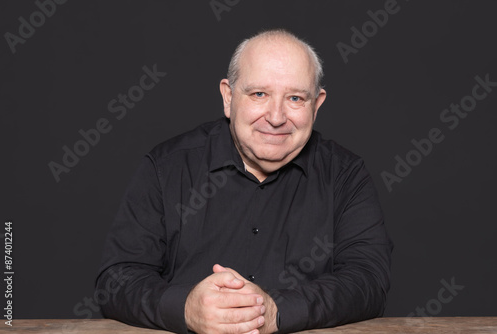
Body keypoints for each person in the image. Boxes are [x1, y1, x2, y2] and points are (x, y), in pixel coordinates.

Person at [95, 29, 393, 334]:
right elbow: (117, 280)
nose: (276, 117)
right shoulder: (166, 167)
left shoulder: (346, 174)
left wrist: (277, 312)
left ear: (315, 106)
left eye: (295, 98)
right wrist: (185, 308)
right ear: (228, 97)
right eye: (259, 94)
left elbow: (368, 280)